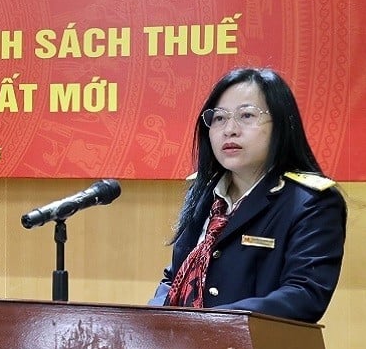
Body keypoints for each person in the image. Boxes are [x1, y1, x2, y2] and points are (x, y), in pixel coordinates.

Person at [148, 67, 346, 324]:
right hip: (185, 345)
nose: (229, 129)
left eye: (247, 115)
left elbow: (304, 295)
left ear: (281, 125)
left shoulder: (311, 202)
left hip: (258, 347)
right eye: (219, 118)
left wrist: (212, 322)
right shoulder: (204, 193)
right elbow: (175, 277)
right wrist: (153, 317)